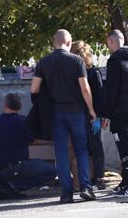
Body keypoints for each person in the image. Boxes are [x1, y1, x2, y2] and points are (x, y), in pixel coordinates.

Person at [30, 29, 97, 203]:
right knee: (81, 149)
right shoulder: (77, 61)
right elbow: (85, 88)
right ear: (69, 42)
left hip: (56, 112)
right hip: (76, 112)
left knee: (60, 152)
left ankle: (66, 192)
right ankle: (85, 187)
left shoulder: (44, 62)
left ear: (54, 43)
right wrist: (91, 110)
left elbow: (34, 89)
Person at [102, 29, 128, 197]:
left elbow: (112, 92)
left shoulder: (115, 61)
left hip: (120, 112)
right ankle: (126, 181)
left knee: (125, 149)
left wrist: (106, 114)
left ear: (111, 42)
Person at [0, 93, 57, 199]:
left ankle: (4, 185)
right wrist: (52, 141)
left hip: (0, 168)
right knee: (53, 171)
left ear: (5, 105)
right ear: (20, 106)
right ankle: (15, 186)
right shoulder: (23, 121)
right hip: (18, 166)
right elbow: (35, 141)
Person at [71, 41, 106, 190]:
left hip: (91, 115)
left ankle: (98, 177)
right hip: (80, 115)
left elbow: (99, 96)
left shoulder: (93, 73)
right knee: (85, 147)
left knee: (95, 146)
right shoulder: (74, 73)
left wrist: (100, 116)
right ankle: (88, 177)